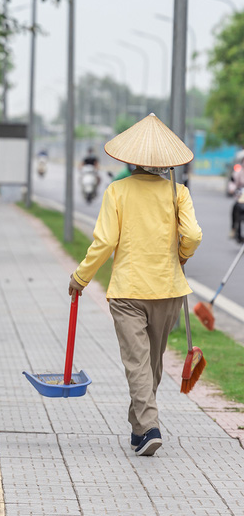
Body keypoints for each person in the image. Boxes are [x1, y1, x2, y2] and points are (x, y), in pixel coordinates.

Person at [68, 113, 202, 458]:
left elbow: (105, 241)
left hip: (128, 291)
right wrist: (182, 255)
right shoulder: (179, 192)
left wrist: (81, 277)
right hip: (168, 291)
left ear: (130, 158)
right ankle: (140, 427)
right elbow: (194, 235)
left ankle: (150, 428)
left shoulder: (117, 191)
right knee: (150, 364)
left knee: (140, 363)